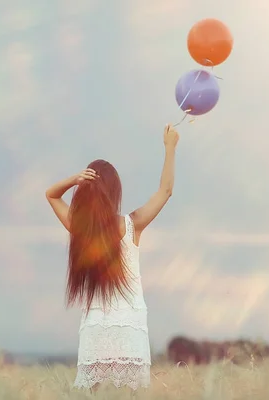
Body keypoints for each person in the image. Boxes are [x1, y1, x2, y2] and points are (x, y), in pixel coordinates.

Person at [45, 124, 179, 391]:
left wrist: (74, 180)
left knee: (95, 395)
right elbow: (165, 191)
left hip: (96, 329)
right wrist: (170, 147)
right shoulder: (132, 224)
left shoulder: (80, 229)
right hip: (130, 327)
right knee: (132, 395)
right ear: (114, 191)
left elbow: (51, 194)